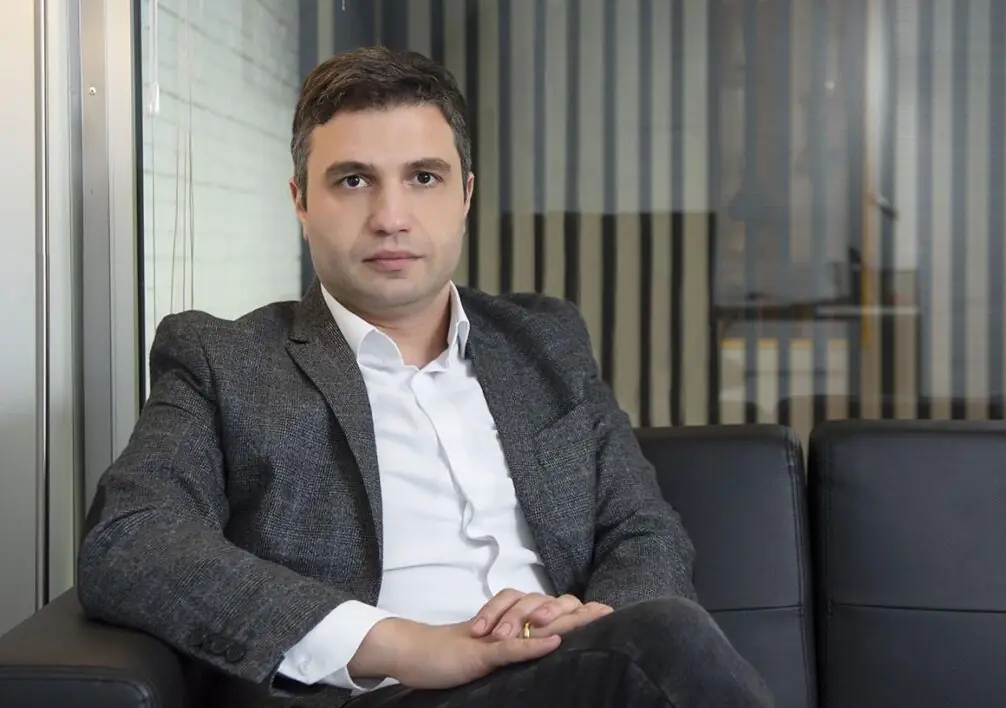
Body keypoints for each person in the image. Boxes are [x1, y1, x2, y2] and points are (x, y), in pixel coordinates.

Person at [76, 46, 773, 708]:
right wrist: (408, 646)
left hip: (571, 678)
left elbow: (642, 529)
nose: (391, 218)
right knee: (666, 640)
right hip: (376, 694)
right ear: (300, 201)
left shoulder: (546, 342)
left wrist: (596, 625)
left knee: (661, 635)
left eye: (424, 178)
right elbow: (128, 540)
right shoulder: (224, 361)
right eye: (354, 180)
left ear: (465, 195)